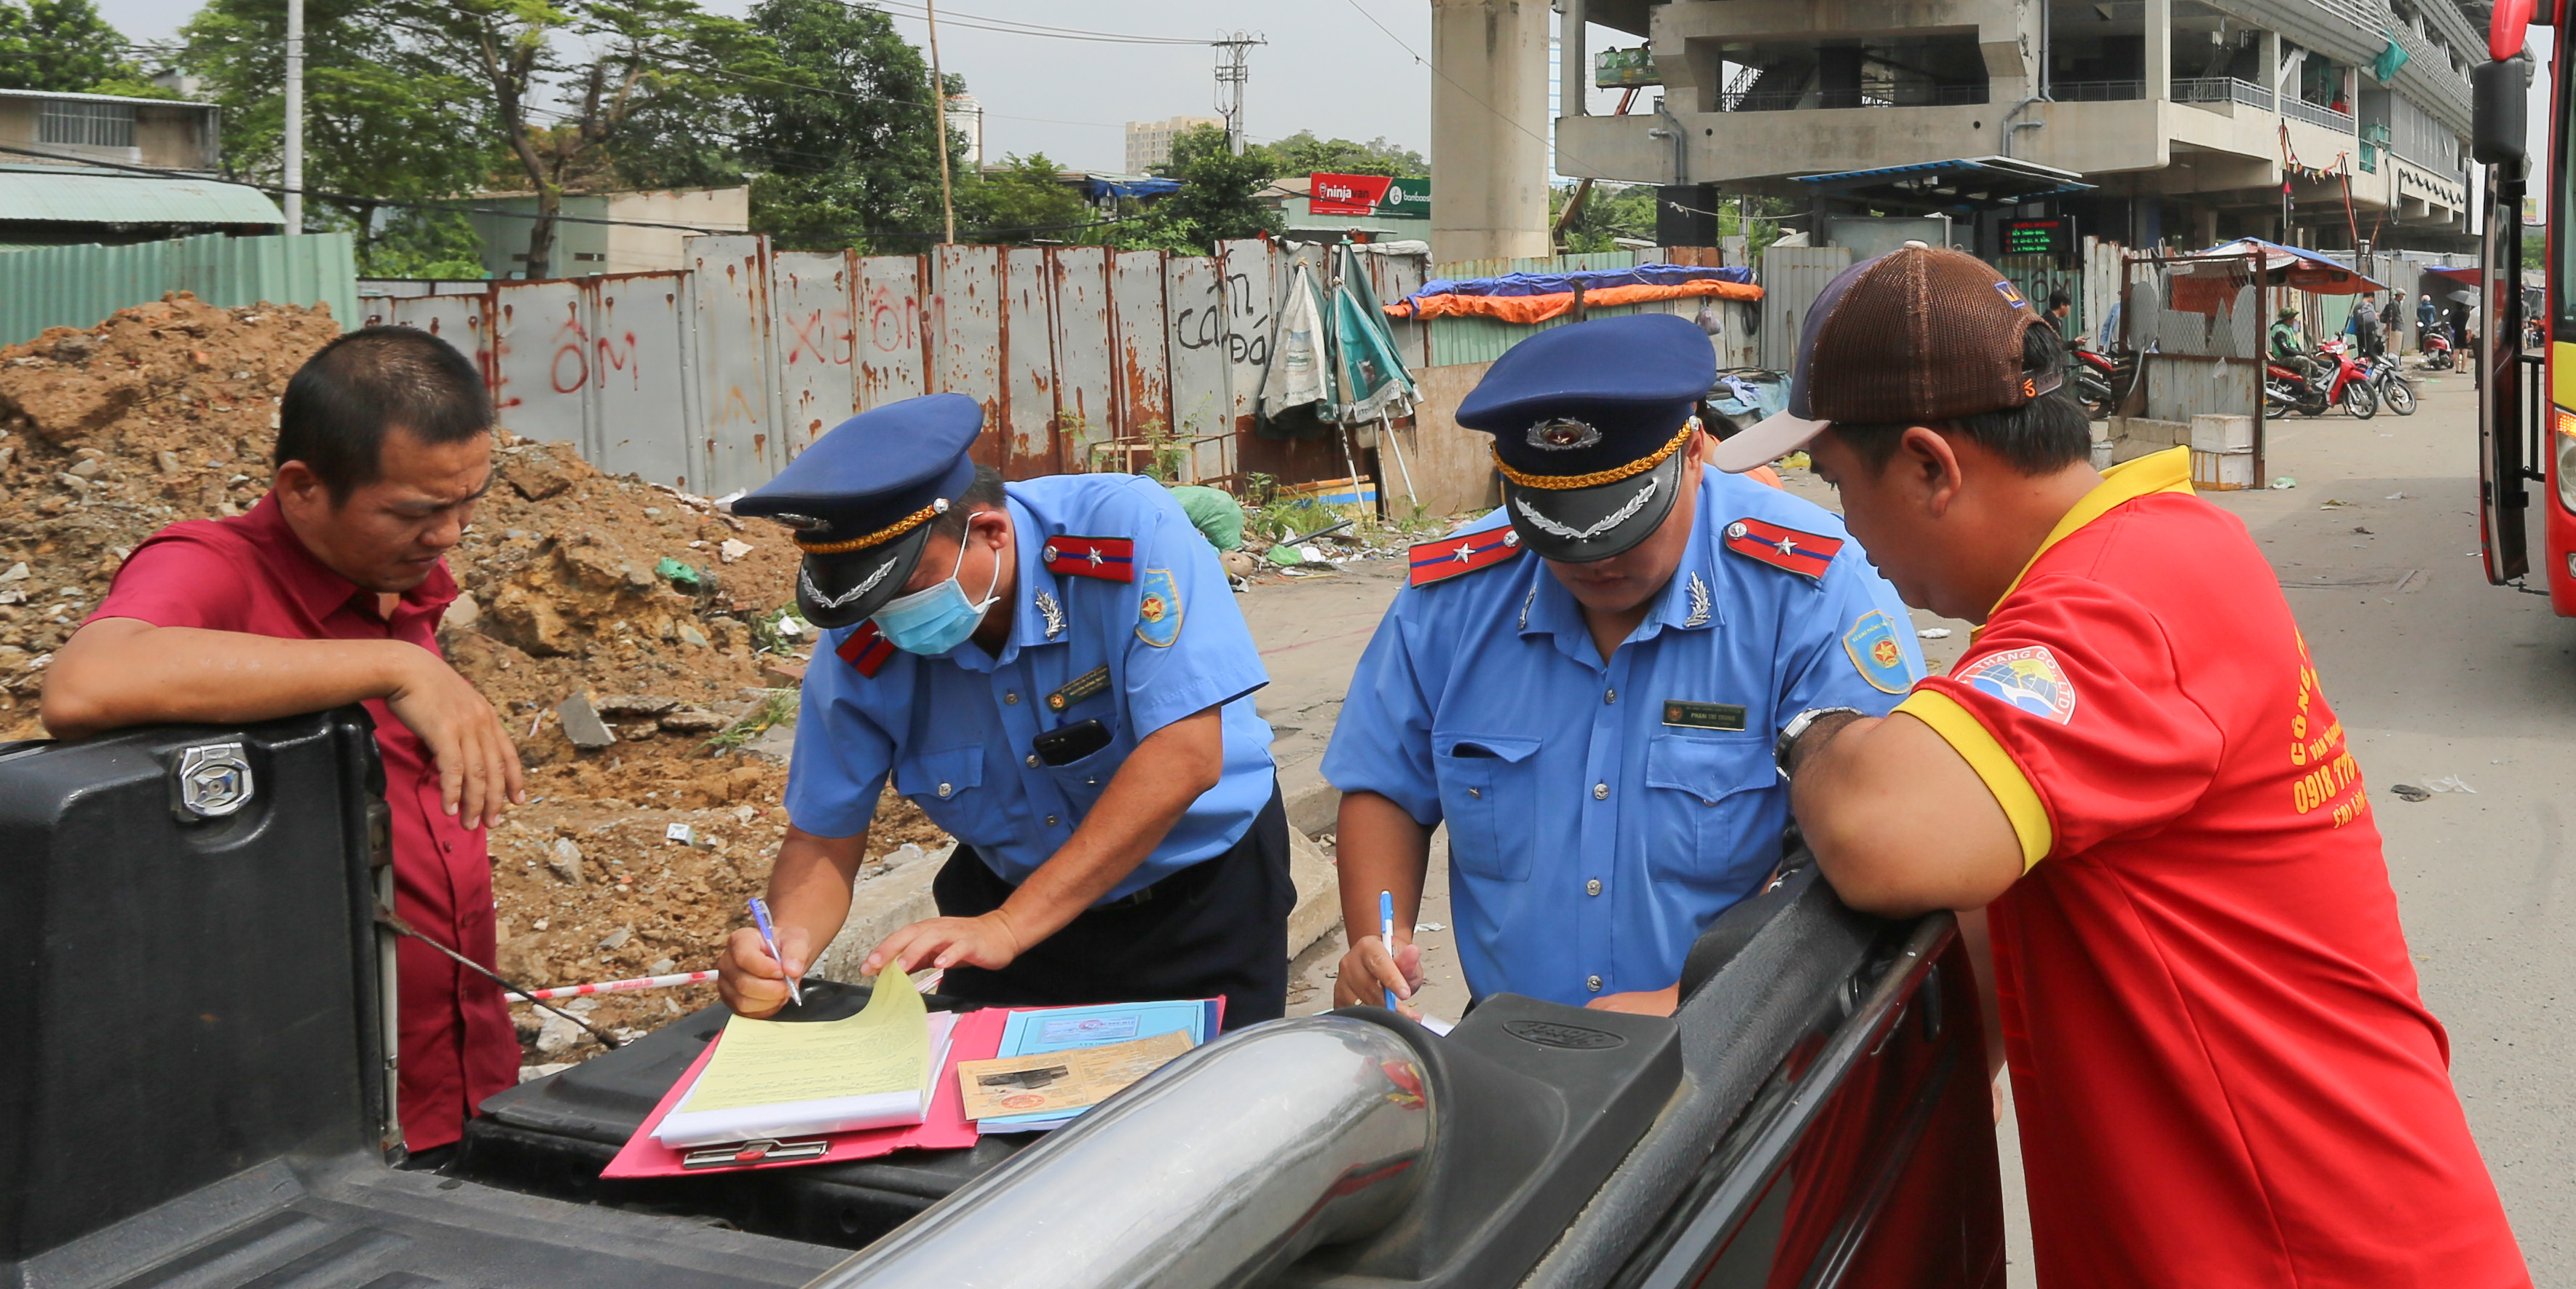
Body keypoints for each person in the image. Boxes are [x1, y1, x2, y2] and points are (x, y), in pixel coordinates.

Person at [1723, 248, 2576, 1289]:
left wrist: (1808, 728)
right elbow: (1991, 974)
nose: (1841, 528)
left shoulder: (2134, 595)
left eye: (1839, 480)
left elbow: (1883, 827)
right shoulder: (2103, 590)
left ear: (1931, 466)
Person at [1326, 314, 1924, 1016]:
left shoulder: (1807, 589)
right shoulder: (1456, 595)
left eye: (1624, 523)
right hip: (1520, 1056)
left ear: (1693, 453)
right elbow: (1386, 785)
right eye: (1559, 530)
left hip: (1748, 1052)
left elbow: (1880, 843)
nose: (1598, 557)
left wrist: (1691, 1003)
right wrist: (1379, 940)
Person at [45, 326, 529, 1157]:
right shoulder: (217, 567)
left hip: (468, 1084)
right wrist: (392, 667)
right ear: (303, 488)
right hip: (326, 1134)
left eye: (467, 502)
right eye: (416, 512)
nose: (449, 535)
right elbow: (87, 681)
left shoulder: (398, 581)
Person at [718, 392, 1290, 1033]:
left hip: (1200, 897)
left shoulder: (1125, 533)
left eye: (905, 588)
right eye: (868, 603)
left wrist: (1012, 925)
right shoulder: (863, 645)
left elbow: (1184, 756)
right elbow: (823, 835)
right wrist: (783, 945)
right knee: (1003, 1119)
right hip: (1009, 911)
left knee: (1203, 1111)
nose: (888, 620)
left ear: (990, 532)